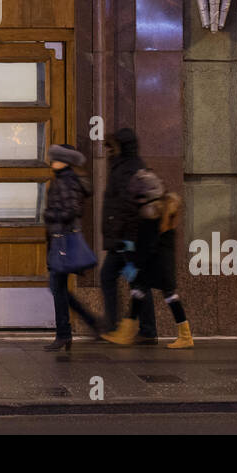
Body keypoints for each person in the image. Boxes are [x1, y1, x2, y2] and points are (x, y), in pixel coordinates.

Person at [104, 191, 194, 348]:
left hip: (156, 270)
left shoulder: (158, 228)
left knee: (158, 296)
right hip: (161, 271)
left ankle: (184, 336)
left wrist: (135, 260)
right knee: (143, 294)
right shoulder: (169, 228)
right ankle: (184, 335)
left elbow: (148, 248)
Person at [99, 127, 155, 343]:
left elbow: (129, 207)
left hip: (127, 239)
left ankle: (146, 330)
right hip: (121, 238)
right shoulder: (122, 166)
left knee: (136, 283)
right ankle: (121, 326)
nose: (109, 151)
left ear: (123, 146)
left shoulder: (129, 169)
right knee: (125, 280)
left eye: (113, 147)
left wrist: (128, 241)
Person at [42, 144, 100, 352]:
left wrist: (49, 216)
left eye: (55, 158)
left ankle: (64, 334)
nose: (51, 162)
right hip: (62, 242)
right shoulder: (66, 180)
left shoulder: (65, 182)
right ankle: (88, 324)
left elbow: (71, 210)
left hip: (62, 243)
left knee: (57, 288)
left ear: (65, 161)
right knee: (59, 288)